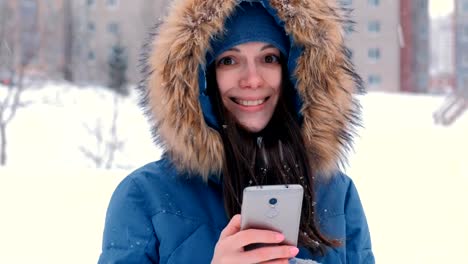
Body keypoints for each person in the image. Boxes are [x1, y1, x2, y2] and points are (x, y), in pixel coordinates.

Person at [98, 0, 375, 263]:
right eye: (229, 60)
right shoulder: (146, 197)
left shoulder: (337, 194)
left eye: (269, 58)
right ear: (202, 77)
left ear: (296, 72)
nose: (252, 79)